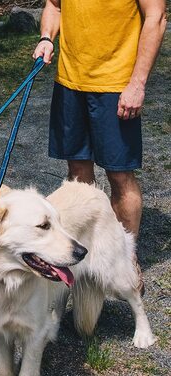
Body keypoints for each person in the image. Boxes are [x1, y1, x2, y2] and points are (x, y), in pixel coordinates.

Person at [33, 0, 167, 292]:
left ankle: (126, 257)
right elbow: (54, 7)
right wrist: (46, 37)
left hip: (116, 84)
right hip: (70, 82)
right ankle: (84, 257)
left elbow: (155, 17)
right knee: (78, 175)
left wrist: (137, 84)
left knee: (120, 175)